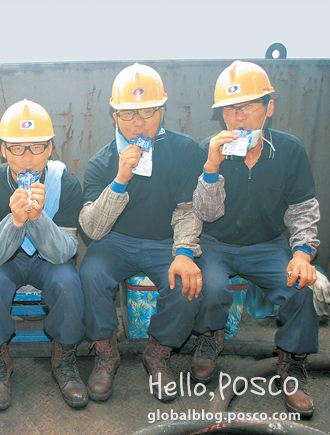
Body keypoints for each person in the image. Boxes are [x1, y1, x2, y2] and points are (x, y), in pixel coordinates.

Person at [193, 60, 321, 418]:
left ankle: (292, 363)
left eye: (247, 106)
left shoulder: (289, 150)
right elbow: (204, 215)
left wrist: (301, 253)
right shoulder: (211, 147)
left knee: (301, 289)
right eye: (230, 110)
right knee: (211, 285)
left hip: (267, 244)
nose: (238, 117)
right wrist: (211, 168)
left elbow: (303, 209)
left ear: (269, 108)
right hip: (217, 243)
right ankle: (209, 336)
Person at [79, 63, 205, 403]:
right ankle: (106, 352)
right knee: (90, 272)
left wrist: (183, 253)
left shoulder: (184, 150)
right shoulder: (102, 160)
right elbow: (92, 228)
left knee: (186, 282)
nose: (139, 122)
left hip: (165, 238)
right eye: (129, 113)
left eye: (148, 111)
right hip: (115, 240)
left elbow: (188, 212)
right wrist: (120, 179)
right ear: (115, 117)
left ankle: (159, 352)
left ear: (162, 111)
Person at [0, 99, 87, 409]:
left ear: (50, 148)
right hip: (6, 260)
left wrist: (38, 219)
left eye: (36, 147)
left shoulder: (67, 184)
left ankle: (64, 357)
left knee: (68, 283)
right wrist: (16, 220)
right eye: (17, 148)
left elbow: (63, 253)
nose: (27, 159)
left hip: (49, 258)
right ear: (3, 150)